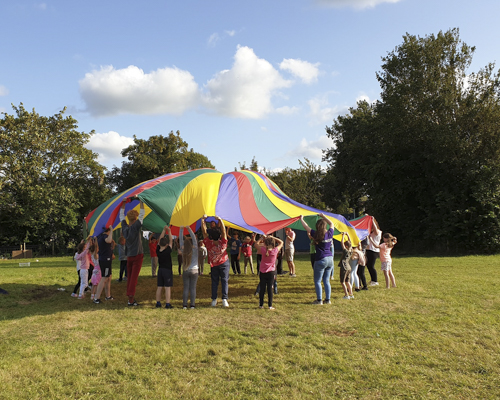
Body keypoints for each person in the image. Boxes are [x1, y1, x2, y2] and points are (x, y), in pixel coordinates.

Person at [300, 214, 335, 305]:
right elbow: (331, 223)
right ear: (325, 226)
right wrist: (323, 216)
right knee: (326, 280)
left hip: (320, 259)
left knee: (317, 281)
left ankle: (319, 300)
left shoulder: (316, 234)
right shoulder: (330, 233)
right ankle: (328, 300)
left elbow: (306, 227)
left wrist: (301, 218)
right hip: (330, 259)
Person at [120, 200, 145, 306]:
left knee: (130, 277)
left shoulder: (125, 228)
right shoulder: (135, 227)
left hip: (129, 256)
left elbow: (121, 216)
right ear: (135, 219)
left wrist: (123, 204)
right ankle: (131, 299)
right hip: (137, 256)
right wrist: (141, 201)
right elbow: (142, 214)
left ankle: (130, 297)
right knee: (133, 278)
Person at [201, 215, 230, 308]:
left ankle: (214, 299)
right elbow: (224, 231)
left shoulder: (208, 243)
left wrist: (203, 220)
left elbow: (204, 232)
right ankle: (224, 299)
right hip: (224, 263)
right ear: (220, 236)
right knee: (224, 280)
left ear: (211, 237)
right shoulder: (223, 243)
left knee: (214, 281)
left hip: (214, 265)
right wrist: (220, 220)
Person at [254, 235, 283, 310]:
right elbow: (281, 242)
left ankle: (261, 305)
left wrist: (261, 239)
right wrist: (273, 238)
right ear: (273, 244)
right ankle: (270, 305)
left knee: (262, 289)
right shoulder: (275, 250)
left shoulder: (263, 250)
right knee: (270, 289)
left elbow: (255, 244)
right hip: (271, 272)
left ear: (265, 244)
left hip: (263, 272)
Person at [93, 226, 114, 304]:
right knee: (104, 278)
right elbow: (109, 241)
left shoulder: (100, 236)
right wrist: (111, 231)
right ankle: (96, 298)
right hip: (105, 260)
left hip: (105, 259)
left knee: (108, 277)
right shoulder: (105, 236)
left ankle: (108, 296)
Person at [180, 226, 199, 309]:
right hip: (194, 270)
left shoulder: (183, 249)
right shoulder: (195, 248)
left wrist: (181, 229)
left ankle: (184, 305)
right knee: (193, 288)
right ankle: (192, 305)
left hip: (186, 270)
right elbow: (194, 238)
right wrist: (189, 229)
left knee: (186, 288)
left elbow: (180, 239)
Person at [156, 226, 174, 308]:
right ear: (166, 245)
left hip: (160, 270)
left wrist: (163, 230)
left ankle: (158, 303)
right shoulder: (168, 250)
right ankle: (167, 303)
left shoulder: (158, 250)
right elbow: (171, 240)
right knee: (167, 288)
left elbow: (160, 240)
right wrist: (169, 232)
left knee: (159, 287)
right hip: (167, 270)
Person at [366, 217, 382, 286]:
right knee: (369, 265)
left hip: (374, 251)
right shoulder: (371, 232)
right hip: (369, 250)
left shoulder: (378, 232)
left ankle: (375, 281)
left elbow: (375, 229)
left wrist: (371, 219)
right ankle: (373, 280)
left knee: (371, 266)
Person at [339, 232, 354, 300]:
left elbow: (342, 243)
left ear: (346, 246)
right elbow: (350, 242)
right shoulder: (351, 250)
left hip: (344, 267)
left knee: (342, 282)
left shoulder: (346, 251)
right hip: (349, 267)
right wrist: (348, 235)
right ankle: (351, 294)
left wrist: (343, 236)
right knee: (347, 281)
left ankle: (346, 295)